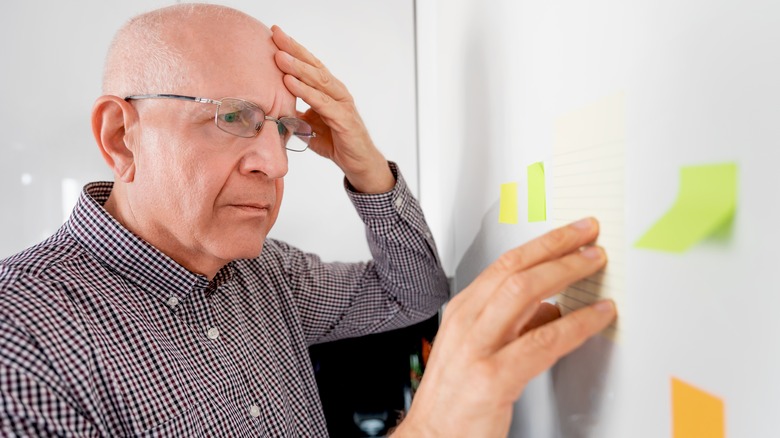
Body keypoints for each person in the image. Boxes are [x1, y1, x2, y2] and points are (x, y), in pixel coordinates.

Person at [0, 3, 616, 437]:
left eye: (285, 128)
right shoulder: (21, 342)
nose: (275, 163)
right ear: (121, 136)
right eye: (232, 117)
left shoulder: (268, 274)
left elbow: (413, 293)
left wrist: (367, 166)